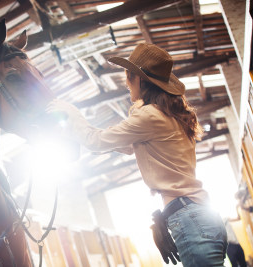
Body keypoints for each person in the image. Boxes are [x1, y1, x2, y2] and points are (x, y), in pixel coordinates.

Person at [47, 43, 228, 266]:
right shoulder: (170, 114)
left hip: (189, 217)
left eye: (128, 76)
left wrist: (71, 113)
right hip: (201, 214)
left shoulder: (149, 116)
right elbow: (123, 145)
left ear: (140, 79)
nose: (126, 82)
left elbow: (96, 141)